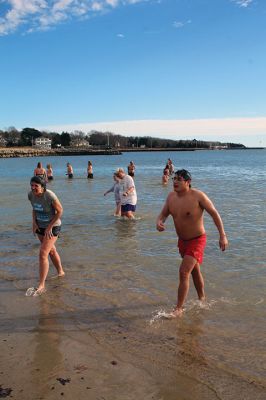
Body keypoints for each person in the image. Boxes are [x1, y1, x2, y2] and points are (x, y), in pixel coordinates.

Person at [156, 169, 228, 317]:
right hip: (182, 241)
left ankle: (178, 309)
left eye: (179, 179)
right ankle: (202, 299)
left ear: (187, 182)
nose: (174, 181)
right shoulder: (171, 197)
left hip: (197, 240)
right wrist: (159, 222)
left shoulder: (198, 196)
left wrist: (222, 235)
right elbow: (163, 214)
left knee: (184, 272)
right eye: (173, 179)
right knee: (194, 271)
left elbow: (214, 214)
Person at [27, 176, 65, 296]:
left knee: (43, 253)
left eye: (36, 186)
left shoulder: (49, 195)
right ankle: (61, 272)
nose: (33, 188)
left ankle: (41, 285)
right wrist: (34, 223)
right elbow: (34, 209)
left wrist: (49, 227)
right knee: (51, 251)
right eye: (32, 185)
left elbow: (60, 211)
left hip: (53, 226)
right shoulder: (30, 195)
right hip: (40, 226)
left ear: (42, 187)